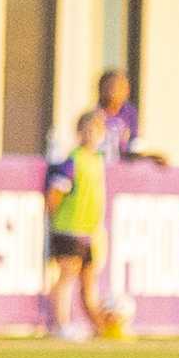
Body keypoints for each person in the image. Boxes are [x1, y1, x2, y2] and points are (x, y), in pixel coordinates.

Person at [45, 109, 109, 340]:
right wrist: (52, 217)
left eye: (97, 131)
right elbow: (56, 192)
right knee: (67, 275)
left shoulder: (98, 160)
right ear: (79, 132)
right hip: (69, 227)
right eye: (87, 130)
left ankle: (100, 327)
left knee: (89, 282)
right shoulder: (73, 160)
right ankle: (61, 324)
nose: (92, 135)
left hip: (89, 231)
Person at [95, 69, 165, 166]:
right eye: (110, 86)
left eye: (121, 87)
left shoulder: (130, 112)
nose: (114, 90)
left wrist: (148, 156)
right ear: (101, 89)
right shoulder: (95, 115)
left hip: (125, 161)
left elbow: (133, 143)